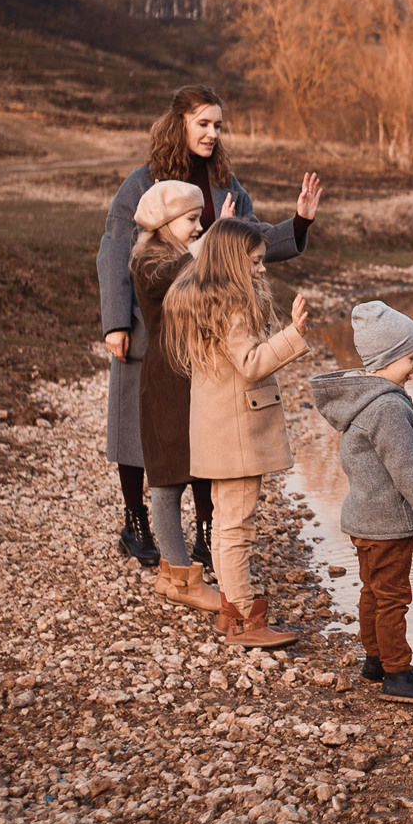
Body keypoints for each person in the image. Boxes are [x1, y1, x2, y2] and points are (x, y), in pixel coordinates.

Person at [96, 84, 323, 568]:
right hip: (147, 324)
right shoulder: (141, 182)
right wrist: (115, 322)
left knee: (200, 429)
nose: (212, 133)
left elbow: (248, 238)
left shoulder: (226, 182)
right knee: (139, 432)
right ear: (179, 123)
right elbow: (116, 250)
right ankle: (136, 525)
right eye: (203, 123)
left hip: (200, 329)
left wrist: (298, 224)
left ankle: (206, 532)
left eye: (218, 125)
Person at [163, 217, 310, 649]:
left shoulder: (205, 299)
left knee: (227, 521)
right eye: (256, 262)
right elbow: (250, 364)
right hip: (239, 432)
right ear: (232, 261)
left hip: (219, 427)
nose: (263, 269)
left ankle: (233, 610)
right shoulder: (232, 306)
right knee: (237, 527)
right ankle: (244, 618)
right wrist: (293, 335)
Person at [310, 300, 413, 706]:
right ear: (389, 358)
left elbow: (386, 449)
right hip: (388, 523)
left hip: (363, 520)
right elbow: (404, 466)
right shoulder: (389, 405)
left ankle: (375, 659)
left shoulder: (366, 396)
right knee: (392, 597)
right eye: (411, 357)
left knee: (373, 591)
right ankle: (397, 673)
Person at [127, 179, 222, 614]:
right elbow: (180, 275)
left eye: (201, 220)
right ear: (165, 222)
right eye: (191, 220)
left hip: (190, 376)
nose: (199, 227)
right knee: (167, 481)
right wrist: (213, 247)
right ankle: (182, 577)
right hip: (166, 381)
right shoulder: (150, 261)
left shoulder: (178, 255)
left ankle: (171, 572)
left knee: (196, 467)